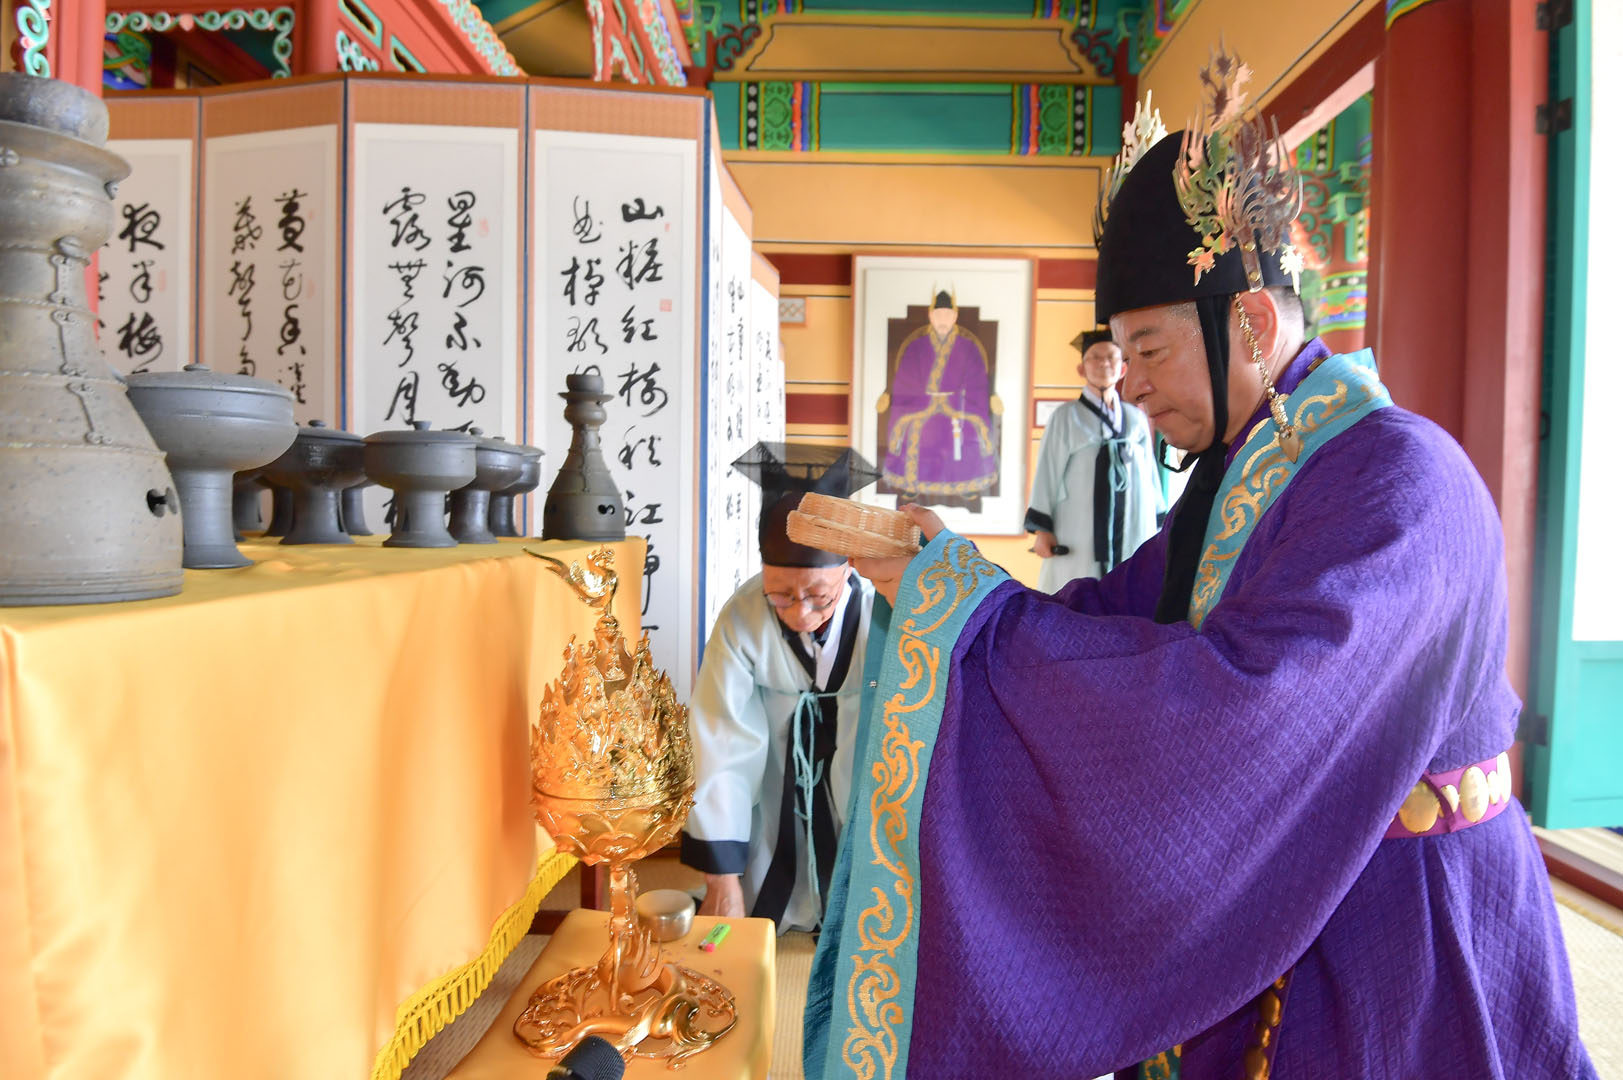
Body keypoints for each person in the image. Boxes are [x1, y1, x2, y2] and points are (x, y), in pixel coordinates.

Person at [802, 53, 1596, 1080]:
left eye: (1148, 351)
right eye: (1119, 354)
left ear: (1251, 324)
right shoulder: (1245, 475)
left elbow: (1247, 709)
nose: (1129, 385)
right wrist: (947, 593)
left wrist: (977, 621)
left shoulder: (1400, 479)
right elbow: (1112, 616)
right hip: (1284, 916)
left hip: (1404, 936)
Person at [680, 442, 877, 933]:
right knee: (749, 898)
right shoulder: (742, 615)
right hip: (772, 773)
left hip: (859, 771)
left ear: (849, 565)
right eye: (780, 595)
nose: (800, 613)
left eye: (818, 595)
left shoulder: (882, 615)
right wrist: (722, 879)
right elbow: (721, 739)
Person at [1026, 330, 1162, 591]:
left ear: (1123, 369)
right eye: (1095, 358)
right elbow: (1047, 472)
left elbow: (1150, 475)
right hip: (1078, 524)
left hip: (1133, 519)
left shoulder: (1136, 418)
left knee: (1132, 586)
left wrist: (1159, 524)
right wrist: (1042, 529)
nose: (1104, 363)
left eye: (1111, 357)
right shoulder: (1066, 417)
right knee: (1077, 589)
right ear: (1081, 369)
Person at [877, 290, 1002, 509]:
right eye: (938, 315)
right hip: (921, 405)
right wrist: (918, 398)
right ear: (930, 316)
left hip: (959, 406)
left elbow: (977, 382)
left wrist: (976, 399)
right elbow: (905, 380)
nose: (943, 320)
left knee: (967, 431)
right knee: (916, 428)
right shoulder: (916, 347)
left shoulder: (969, 348)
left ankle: (966, 484)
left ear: (955, 316)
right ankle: (911, 483)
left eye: (947, 315)